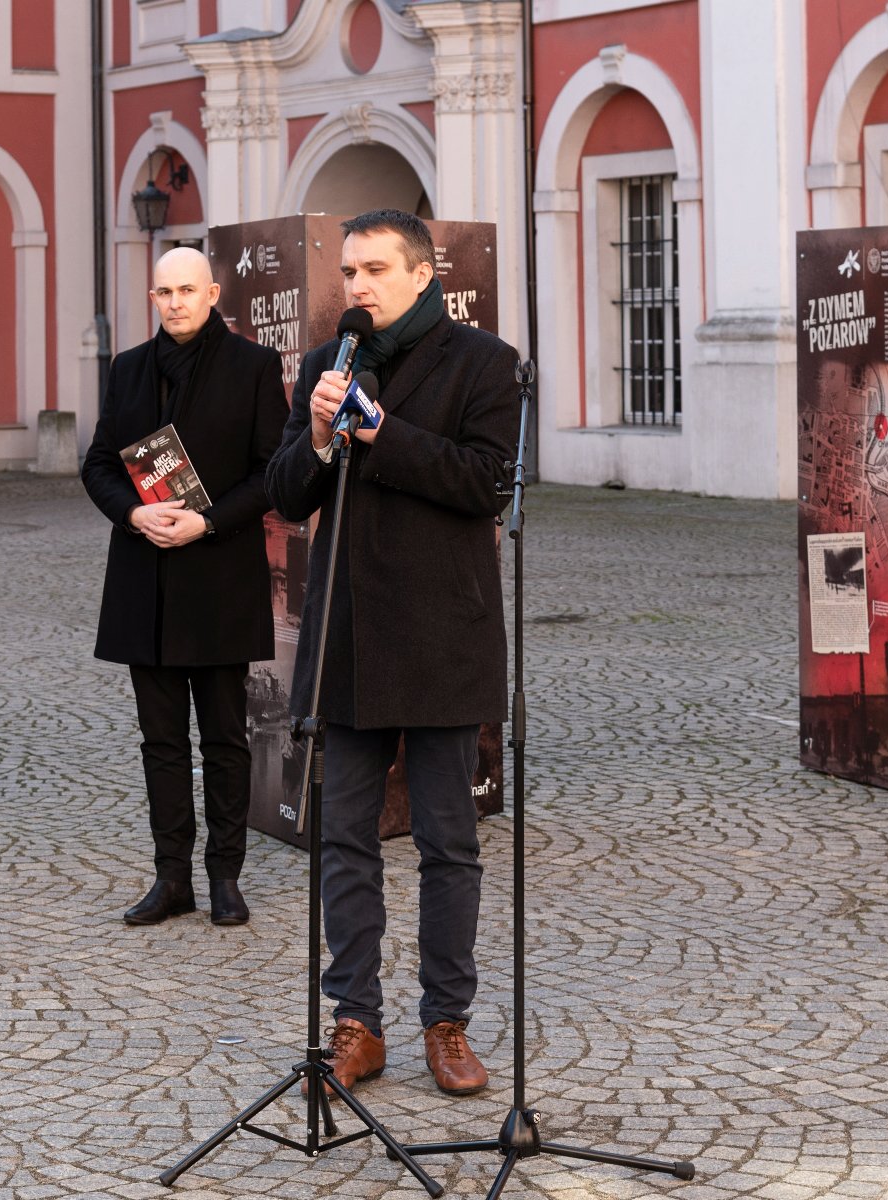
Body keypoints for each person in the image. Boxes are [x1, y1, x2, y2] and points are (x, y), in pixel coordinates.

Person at [265, 209, 518, 1099]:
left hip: (445, 634)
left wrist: (381, 433)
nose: (357, 287)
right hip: (349, 634)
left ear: (421, 275)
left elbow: (484, 481)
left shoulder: (485, 363)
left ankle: (446, 1023)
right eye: (349, 272)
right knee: (345, 838)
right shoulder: (324, 367)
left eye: (374, 269)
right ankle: (354, 1022)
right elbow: (287, 489)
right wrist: (326, 434)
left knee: (449, 843)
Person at [81, 247, 288, 928]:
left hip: (220, 573)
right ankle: (171, 878)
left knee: (226, 739)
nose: (174, 302)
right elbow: (100, 465)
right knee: (159, 741)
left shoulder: (253, 367)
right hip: (146, 579)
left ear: (212, 293)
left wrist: (204, 522)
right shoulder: (129, 369)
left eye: (186, 290)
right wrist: (133, 512)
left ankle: (225, 877)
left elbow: (269, 473)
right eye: (163, 291)